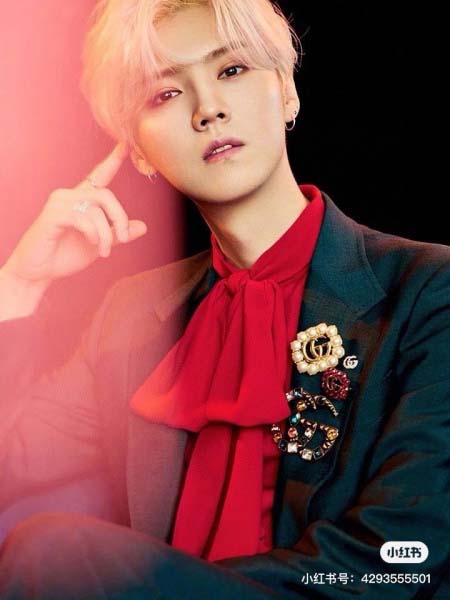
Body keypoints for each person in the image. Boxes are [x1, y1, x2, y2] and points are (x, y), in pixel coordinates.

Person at [0, 0, 449, 598]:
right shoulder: (131, 315)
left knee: (54, 551)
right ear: (137, 149)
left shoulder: (429, 287)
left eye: (231, 70)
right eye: (165, 94)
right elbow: (11, 469)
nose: (207, 108)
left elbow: (400, 558)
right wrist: (19, 282)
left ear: (286, 91)